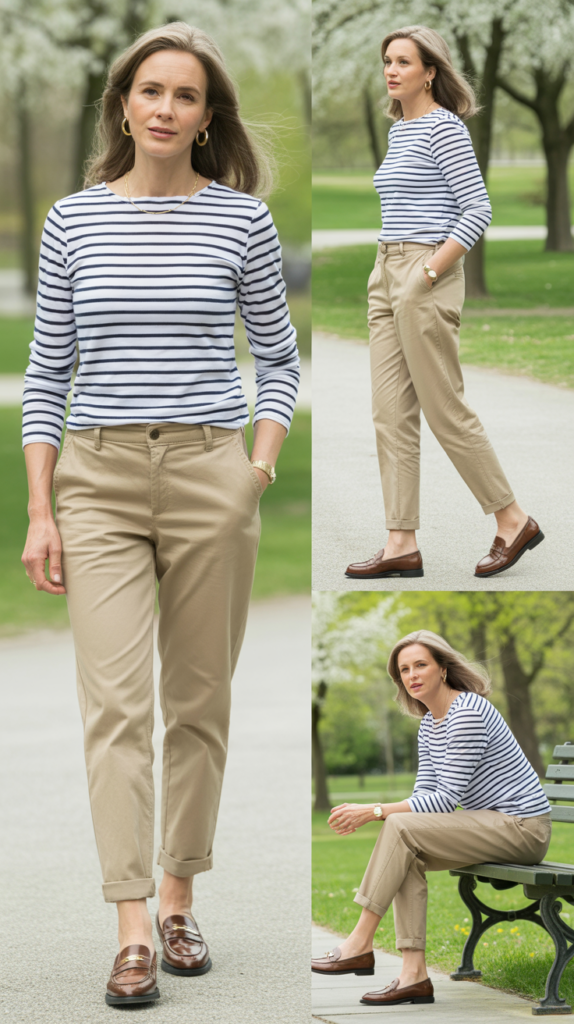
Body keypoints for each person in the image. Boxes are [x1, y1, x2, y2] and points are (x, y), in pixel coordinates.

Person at [21, 22, 299, 1006]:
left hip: (206, 472)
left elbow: (280, 359)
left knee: (197, 702)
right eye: (149, 91)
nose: (165, 108)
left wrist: (253, 472)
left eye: (184, 95)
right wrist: (40, 508)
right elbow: (46, 374)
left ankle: (182, 896)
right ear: (124, 105)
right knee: (115, 708)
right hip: (93, 479)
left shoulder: (241, 222)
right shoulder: (72, 222)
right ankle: (133, 921)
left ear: (206, 115)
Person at [344, 25, 544, 582]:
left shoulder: (443, 128)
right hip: (385, 270)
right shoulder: (401, 129)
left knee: (444, 408)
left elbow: (476, 210)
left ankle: (513, 518)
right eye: (387, 60)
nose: (391, 70)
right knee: (391, 414)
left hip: (425, 271)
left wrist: (427, 274)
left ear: (430, 71)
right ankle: (399, 541)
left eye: (403, 61)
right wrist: (391, 276)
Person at [311, 630, 551, 1007]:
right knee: (405, 849)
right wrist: (383, 814)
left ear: (443, 668)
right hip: (488, 824)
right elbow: (426, 796)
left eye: (420, 665)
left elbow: (446, 800)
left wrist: (374, 811)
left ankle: (359, 942)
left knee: (400, 828)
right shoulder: (429, 725)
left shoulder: (468, 711)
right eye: (404, 670)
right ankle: (414, 976)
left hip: (522, 828)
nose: (412, 675)